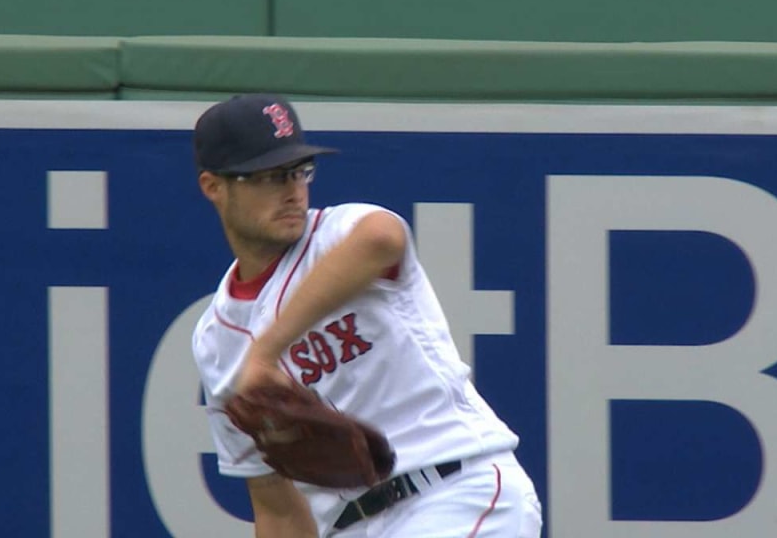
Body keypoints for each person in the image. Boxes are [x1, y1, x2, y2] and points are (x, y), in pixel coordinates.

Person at [190, 93, 543, 537]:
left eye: (299, 171)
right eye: (269, 176)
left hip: (456, 492)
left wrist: (265, 353)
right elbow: (276, 508)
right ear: (214, 186)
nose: (293, 190)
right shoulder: (217, 342)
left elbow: (382, 239)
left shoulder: (338, 234)